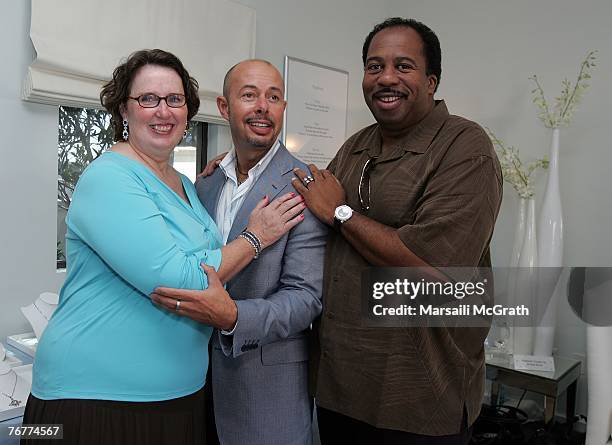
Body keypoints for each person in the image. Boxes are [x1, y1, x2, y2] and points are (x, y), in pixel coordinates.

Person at [23, 49, 304, 445]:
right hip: (94, 399)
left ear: (189, 112)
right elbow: (181, 279)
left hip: (179, 396)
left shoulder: (191, 185)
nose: (163, 111)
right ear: (124, 109)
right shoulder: (108, 177)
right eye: (148, 99)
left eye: (175, 100)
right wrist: (255, 237)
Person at [292, 18, 503, 445]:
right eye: (374, 66)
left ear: (431, 80)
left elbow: (430, 268)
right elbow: (308, 200)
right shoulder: (356, 145)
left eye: (403, 66)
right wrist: (238, 166)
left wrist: (342, 214)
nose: (386, 77)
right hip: (340, 388)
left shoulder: (465, 147)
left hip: (420, 399)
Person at [151, 59, 327, 445]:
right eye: (249, 95)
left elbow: (305, 299)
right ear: (225, 108)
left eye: (274, 97)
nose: (263, 106)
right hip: (196, 386)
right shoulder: (205, 185)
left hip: (266, 394)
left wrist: (233, 317)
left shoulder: (305, 187)